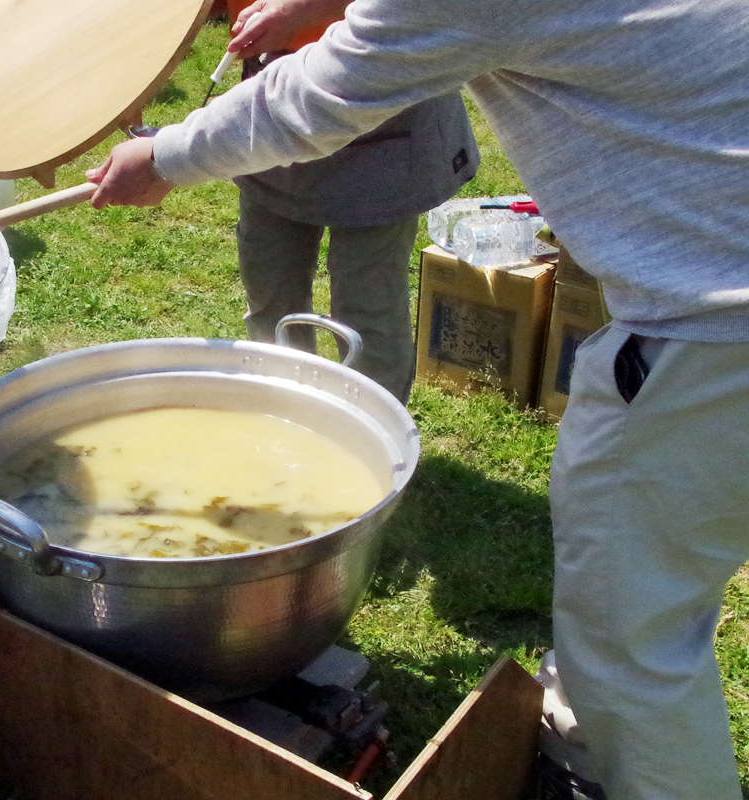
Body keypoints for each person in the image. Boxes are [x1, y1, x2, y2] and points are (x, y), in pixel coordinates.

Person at [85, 0, 749, 798]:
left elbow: (320, 94)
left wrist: (161, 156)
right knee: (645, 595)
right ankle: (588, 745)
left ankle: (635, 757)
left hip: (718, 324)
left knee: (630, 650)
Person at [219, 0, 478, 402]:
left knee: (366, 310)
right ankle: (285, 421)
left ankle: (374, 448)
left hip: (381, 103)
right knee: (271, 296)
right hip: (275, 106)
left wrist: (302, 11)